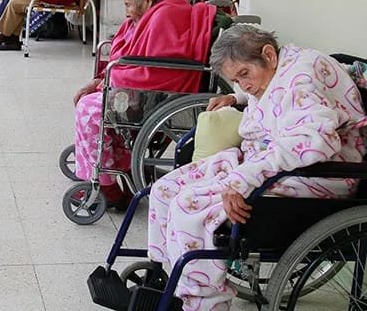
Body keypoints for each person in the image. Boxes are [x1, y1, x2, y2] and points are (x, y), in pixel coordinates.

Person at [147, 24, 366, 311]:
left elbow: (313, 143)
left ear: (268, 54)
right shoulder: (280, 65)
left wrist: (240, 181)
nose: (243, 85)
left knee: (188, 205)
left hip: (319, 172)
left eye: (243, 75)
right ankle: (167, 280)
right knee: (164, 189)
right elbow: (274, 98)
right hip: (271, 162)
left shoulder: (301, 77)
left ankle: (204, 302)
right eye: (235, 80)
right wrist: (235, 98)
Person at [72, 0, 217, 208]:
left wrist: (107, 81)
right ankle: (116, 167)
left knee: (88, 109)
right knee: (91, 100)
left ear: (147, 0)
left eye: (129, 4)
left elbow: (157, 69)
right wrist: (101, 80)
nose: (126, 10)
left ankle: (107, 185)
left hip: (157, 94)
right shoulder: (157, 12)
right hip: (143, 87)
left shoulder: (165, 15)